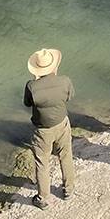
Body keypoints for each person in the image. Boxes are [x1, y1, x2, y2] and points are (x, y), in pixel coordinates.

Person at [23, 48, 76, 209]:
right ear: (54, 67)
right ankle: (68, 190)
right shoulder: (65, 81)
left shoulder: (32, 86)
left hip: (42, 130)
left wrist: (35, 80)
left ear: (37, 70)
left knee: (42, 163)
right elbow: (69, 96)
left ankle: (43, 198)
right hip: (62, 123)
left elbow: (27, 103)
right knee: (66, 155)